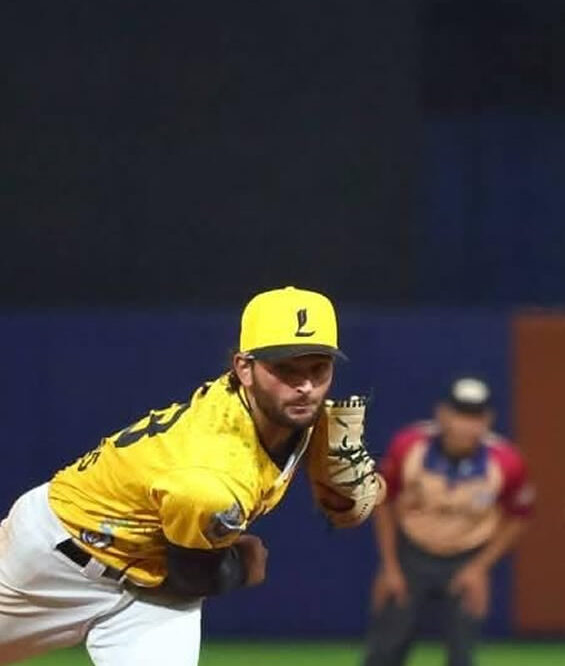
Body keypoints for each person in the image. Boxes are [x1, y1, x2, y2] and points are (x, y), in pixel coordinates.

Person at [0, 285, 382, 665]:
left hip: (152, 593)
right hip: (53, 562)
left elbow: (360, 490)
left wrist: (370, 491)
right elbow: (193, 576)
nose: (305, 387)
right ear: (244, 369)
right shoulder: (210, 473)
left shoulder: (297, 415)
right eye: (285, 369)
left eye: (318, 368)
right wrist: (243, 565)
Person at [364, 376, 533, 666]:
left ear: (488, 421)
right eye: (460, 414)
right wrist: (390, 566)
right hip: (412, 555)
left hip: (466, 559)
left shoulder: (506, 461)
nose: (467, 425)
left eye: (476, 416)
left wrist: (480, 568)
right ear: (443, 414)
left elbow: (519, 517)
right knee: (385, 649)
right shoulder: (409, 446)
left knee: (462, 654)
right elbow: (381, 501)